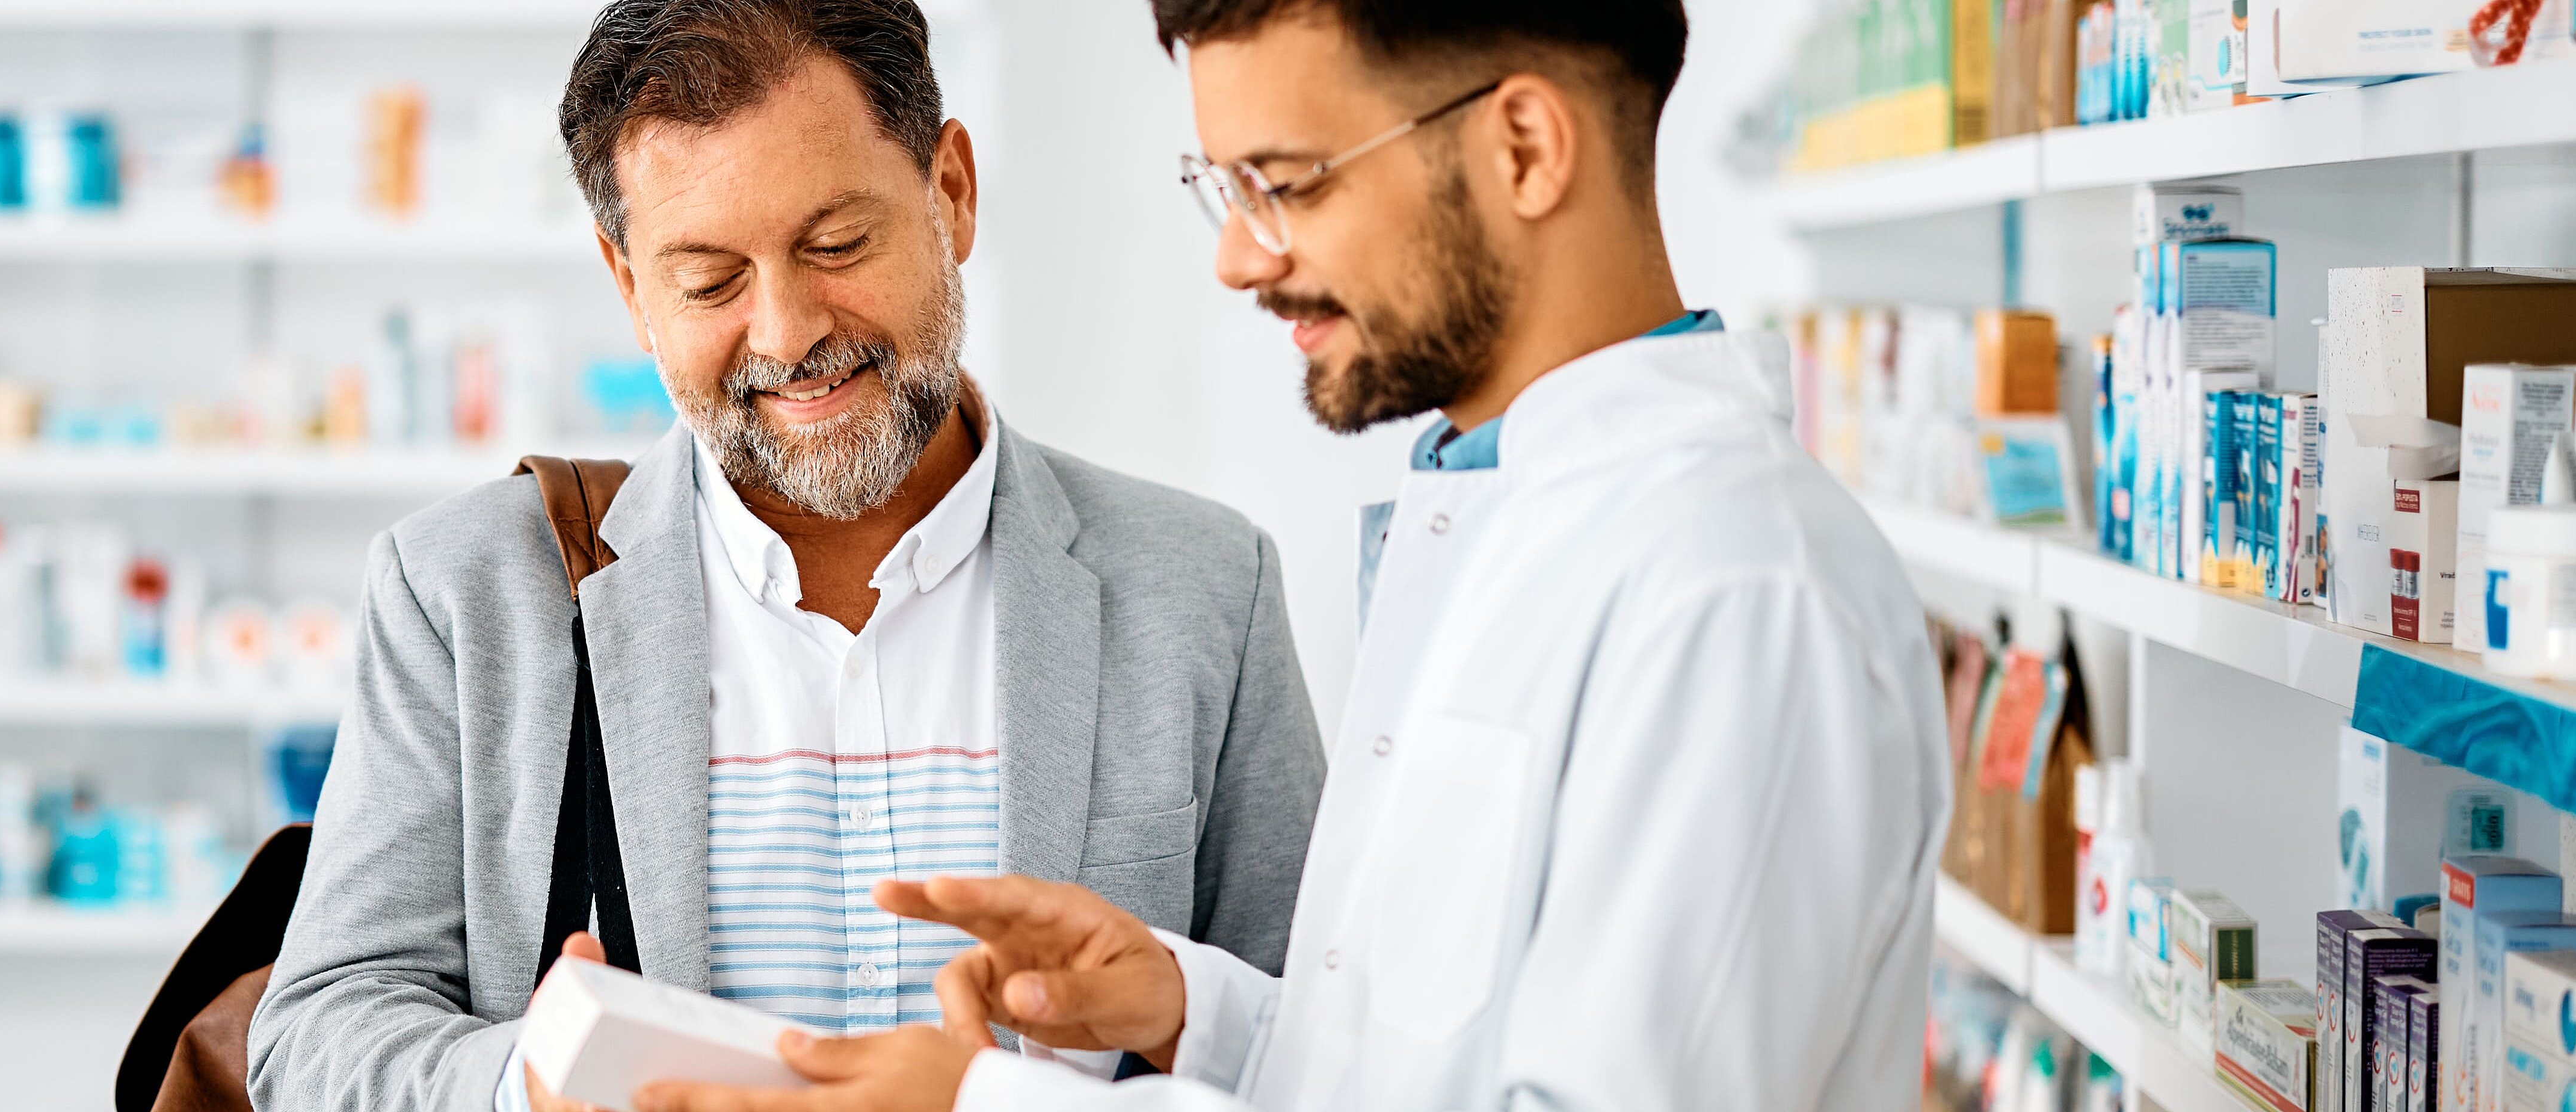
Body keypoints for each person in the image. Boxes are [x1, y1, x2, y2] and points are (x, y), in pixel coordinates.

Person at [630, 1, 1952, 1110]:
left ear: (1523, 147)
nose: (1237, 257)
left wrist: (985, 1102)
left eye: (1288, 182)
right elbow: (1428, 1070)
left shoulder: (1737, 591)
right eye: (1226, 188)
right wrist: (1192, 1011)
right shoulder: (1513, 520)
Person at [246, 2, 1329, 1110]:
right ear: (630, 285)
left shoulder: (1206, 587)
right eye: (710, 281)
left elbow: (1322, 1045)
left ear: (951, 192)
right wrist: (527, 1087)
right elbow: (315, 1040)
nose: (787, 333)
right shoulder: (461, 593)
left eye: (837, 246)